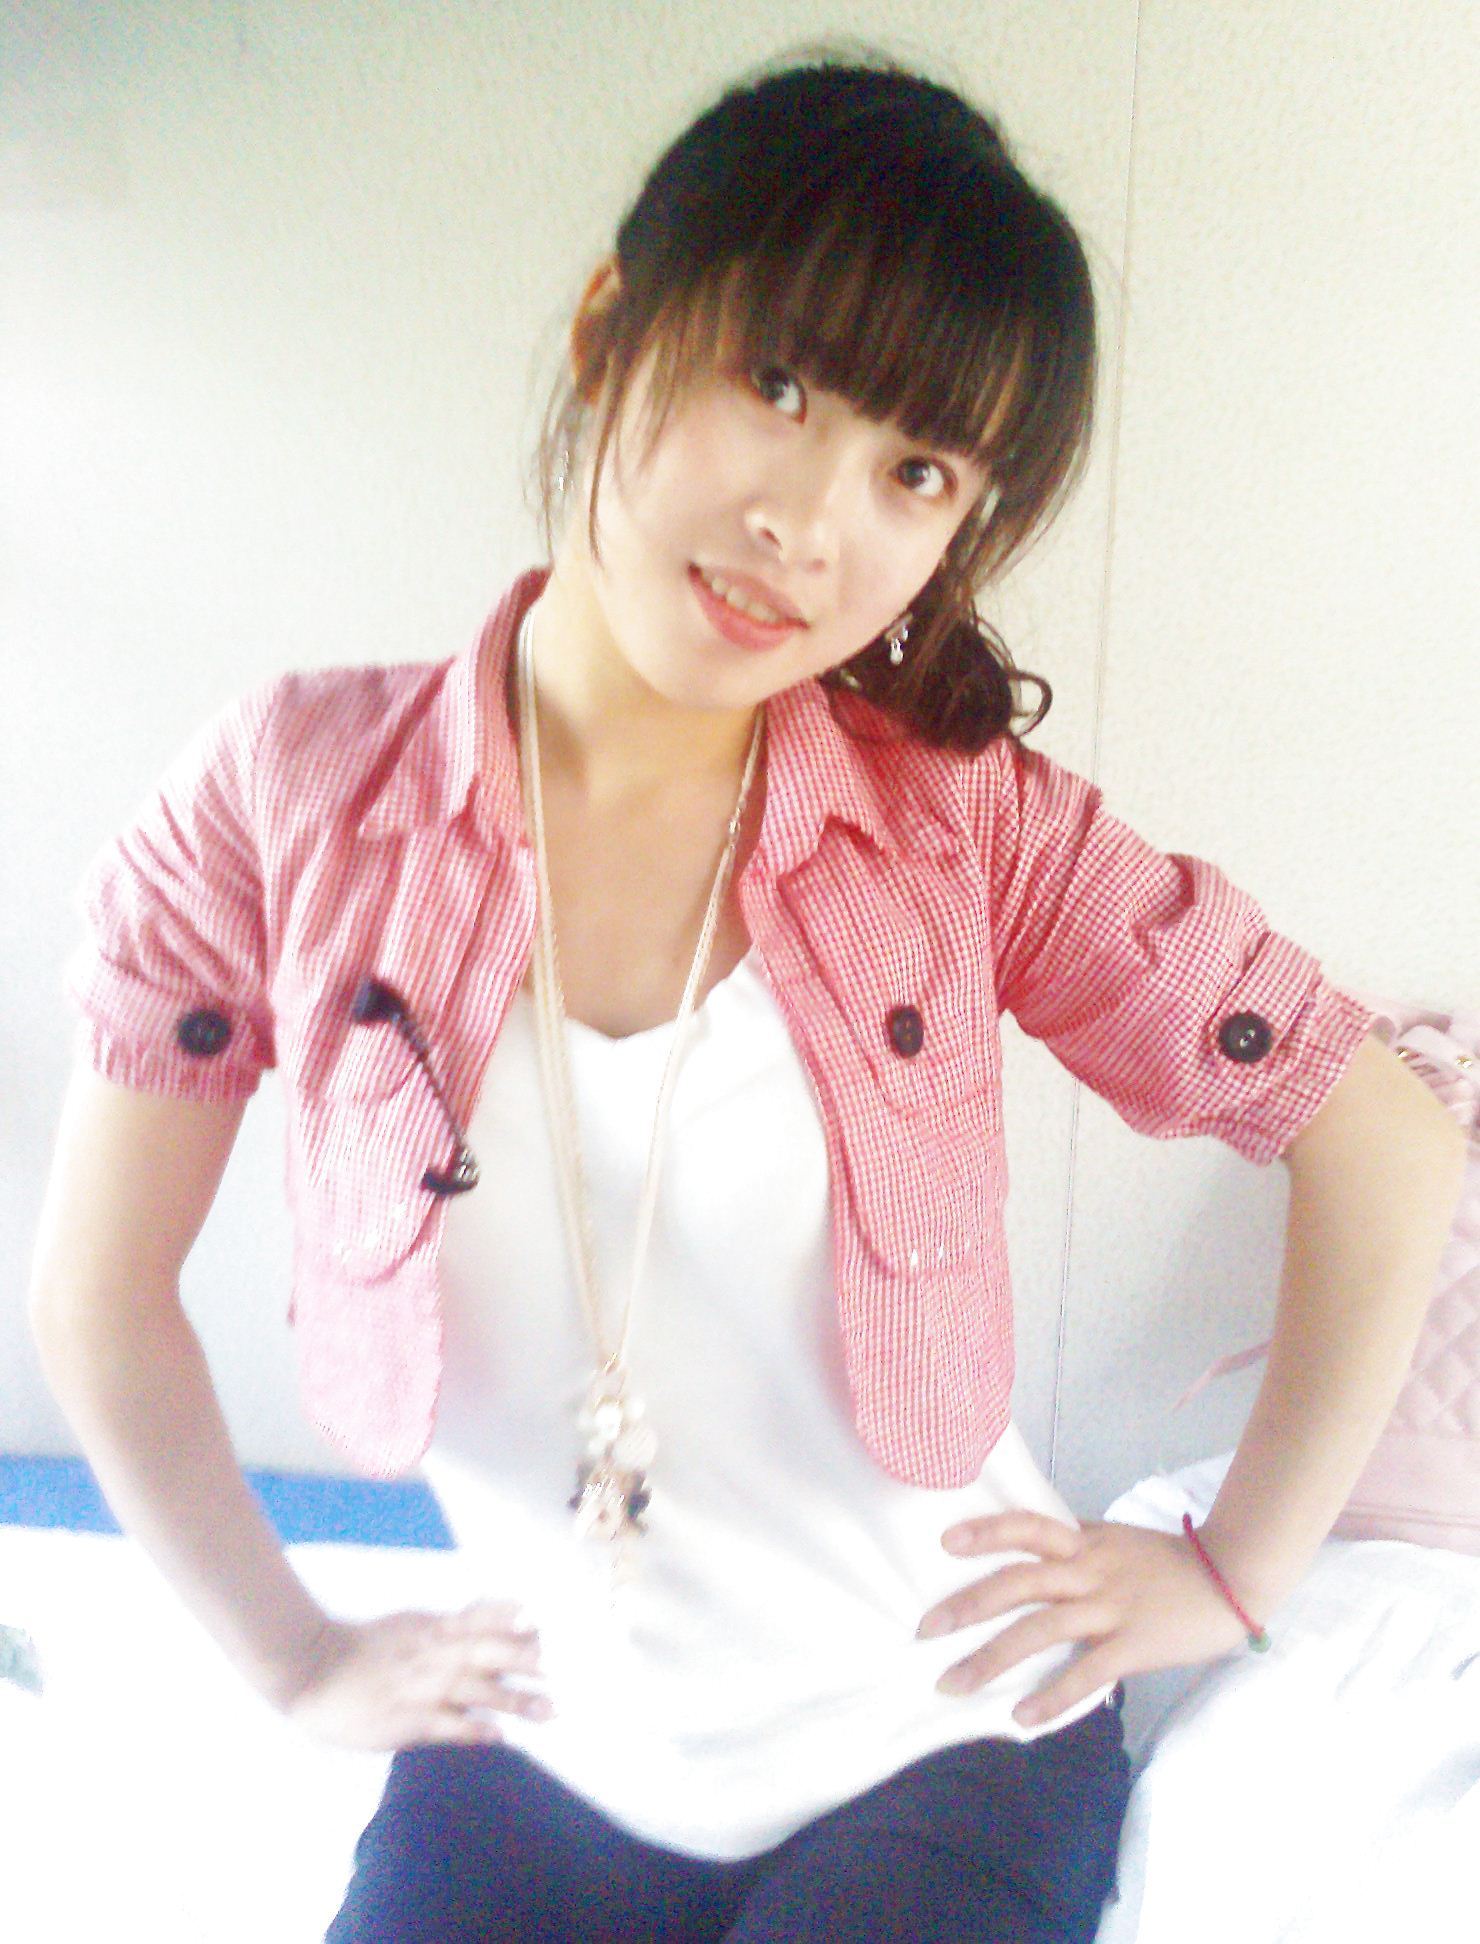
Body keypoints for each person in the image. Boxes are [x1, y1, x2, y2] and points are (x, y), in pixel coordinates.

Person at [28, 52, 1465, 1944]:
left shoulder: (963, 830)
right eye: (776, 384)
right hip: (542, 1737)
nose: (810, 520)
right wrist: (296, 1658)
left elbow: (1377, 1126)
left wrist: (1231, 1570)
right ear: (610, 330)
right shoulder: (285, 803)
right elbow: (101, 1300)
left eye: (915, 471)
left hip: (947, 1733)